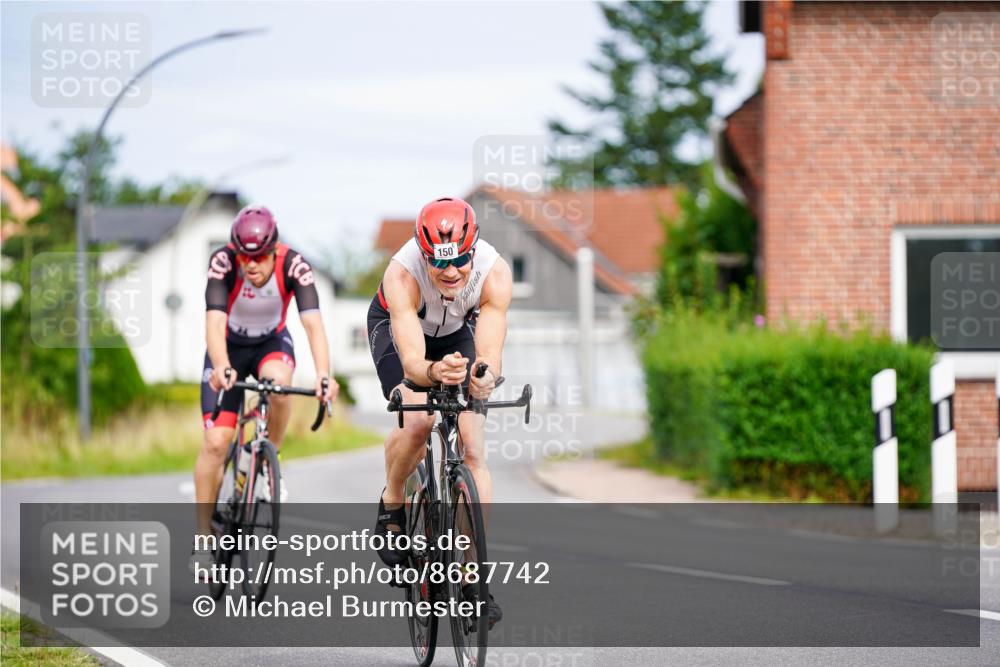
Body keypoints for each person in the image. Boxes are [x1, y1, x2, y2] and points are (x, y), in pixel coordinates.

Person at [367, 196, 512, 628]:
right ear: (422, 253)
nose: (451, 273)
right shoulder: (402, 275)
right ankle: (392, 501)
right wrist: (434, 371)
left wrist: (483, 376)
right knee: (417, 419)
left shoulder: (494, 273)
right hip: (400, 332)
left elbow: (488, 352)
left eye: (460, 262)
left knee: (472, 446)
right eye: (439, 264)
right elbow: (413, 364)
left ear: (474, 248)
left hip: (455, 334)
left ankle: (473, 577)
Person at [190, 205, 338, 576]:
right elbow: (213, 321)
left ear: (274, 251)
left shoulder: (294, 266)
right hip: (227, 348)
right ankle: (204, 540)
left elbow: (314, 327)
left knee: (281, 388)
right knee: (215, 443)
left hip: (271, 343)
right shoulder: (222, 264)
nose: (251, 265)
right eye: (245, 257)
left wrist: (324, 375)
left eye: (259, 258)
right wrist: (221, 364)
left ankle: (271, 461)